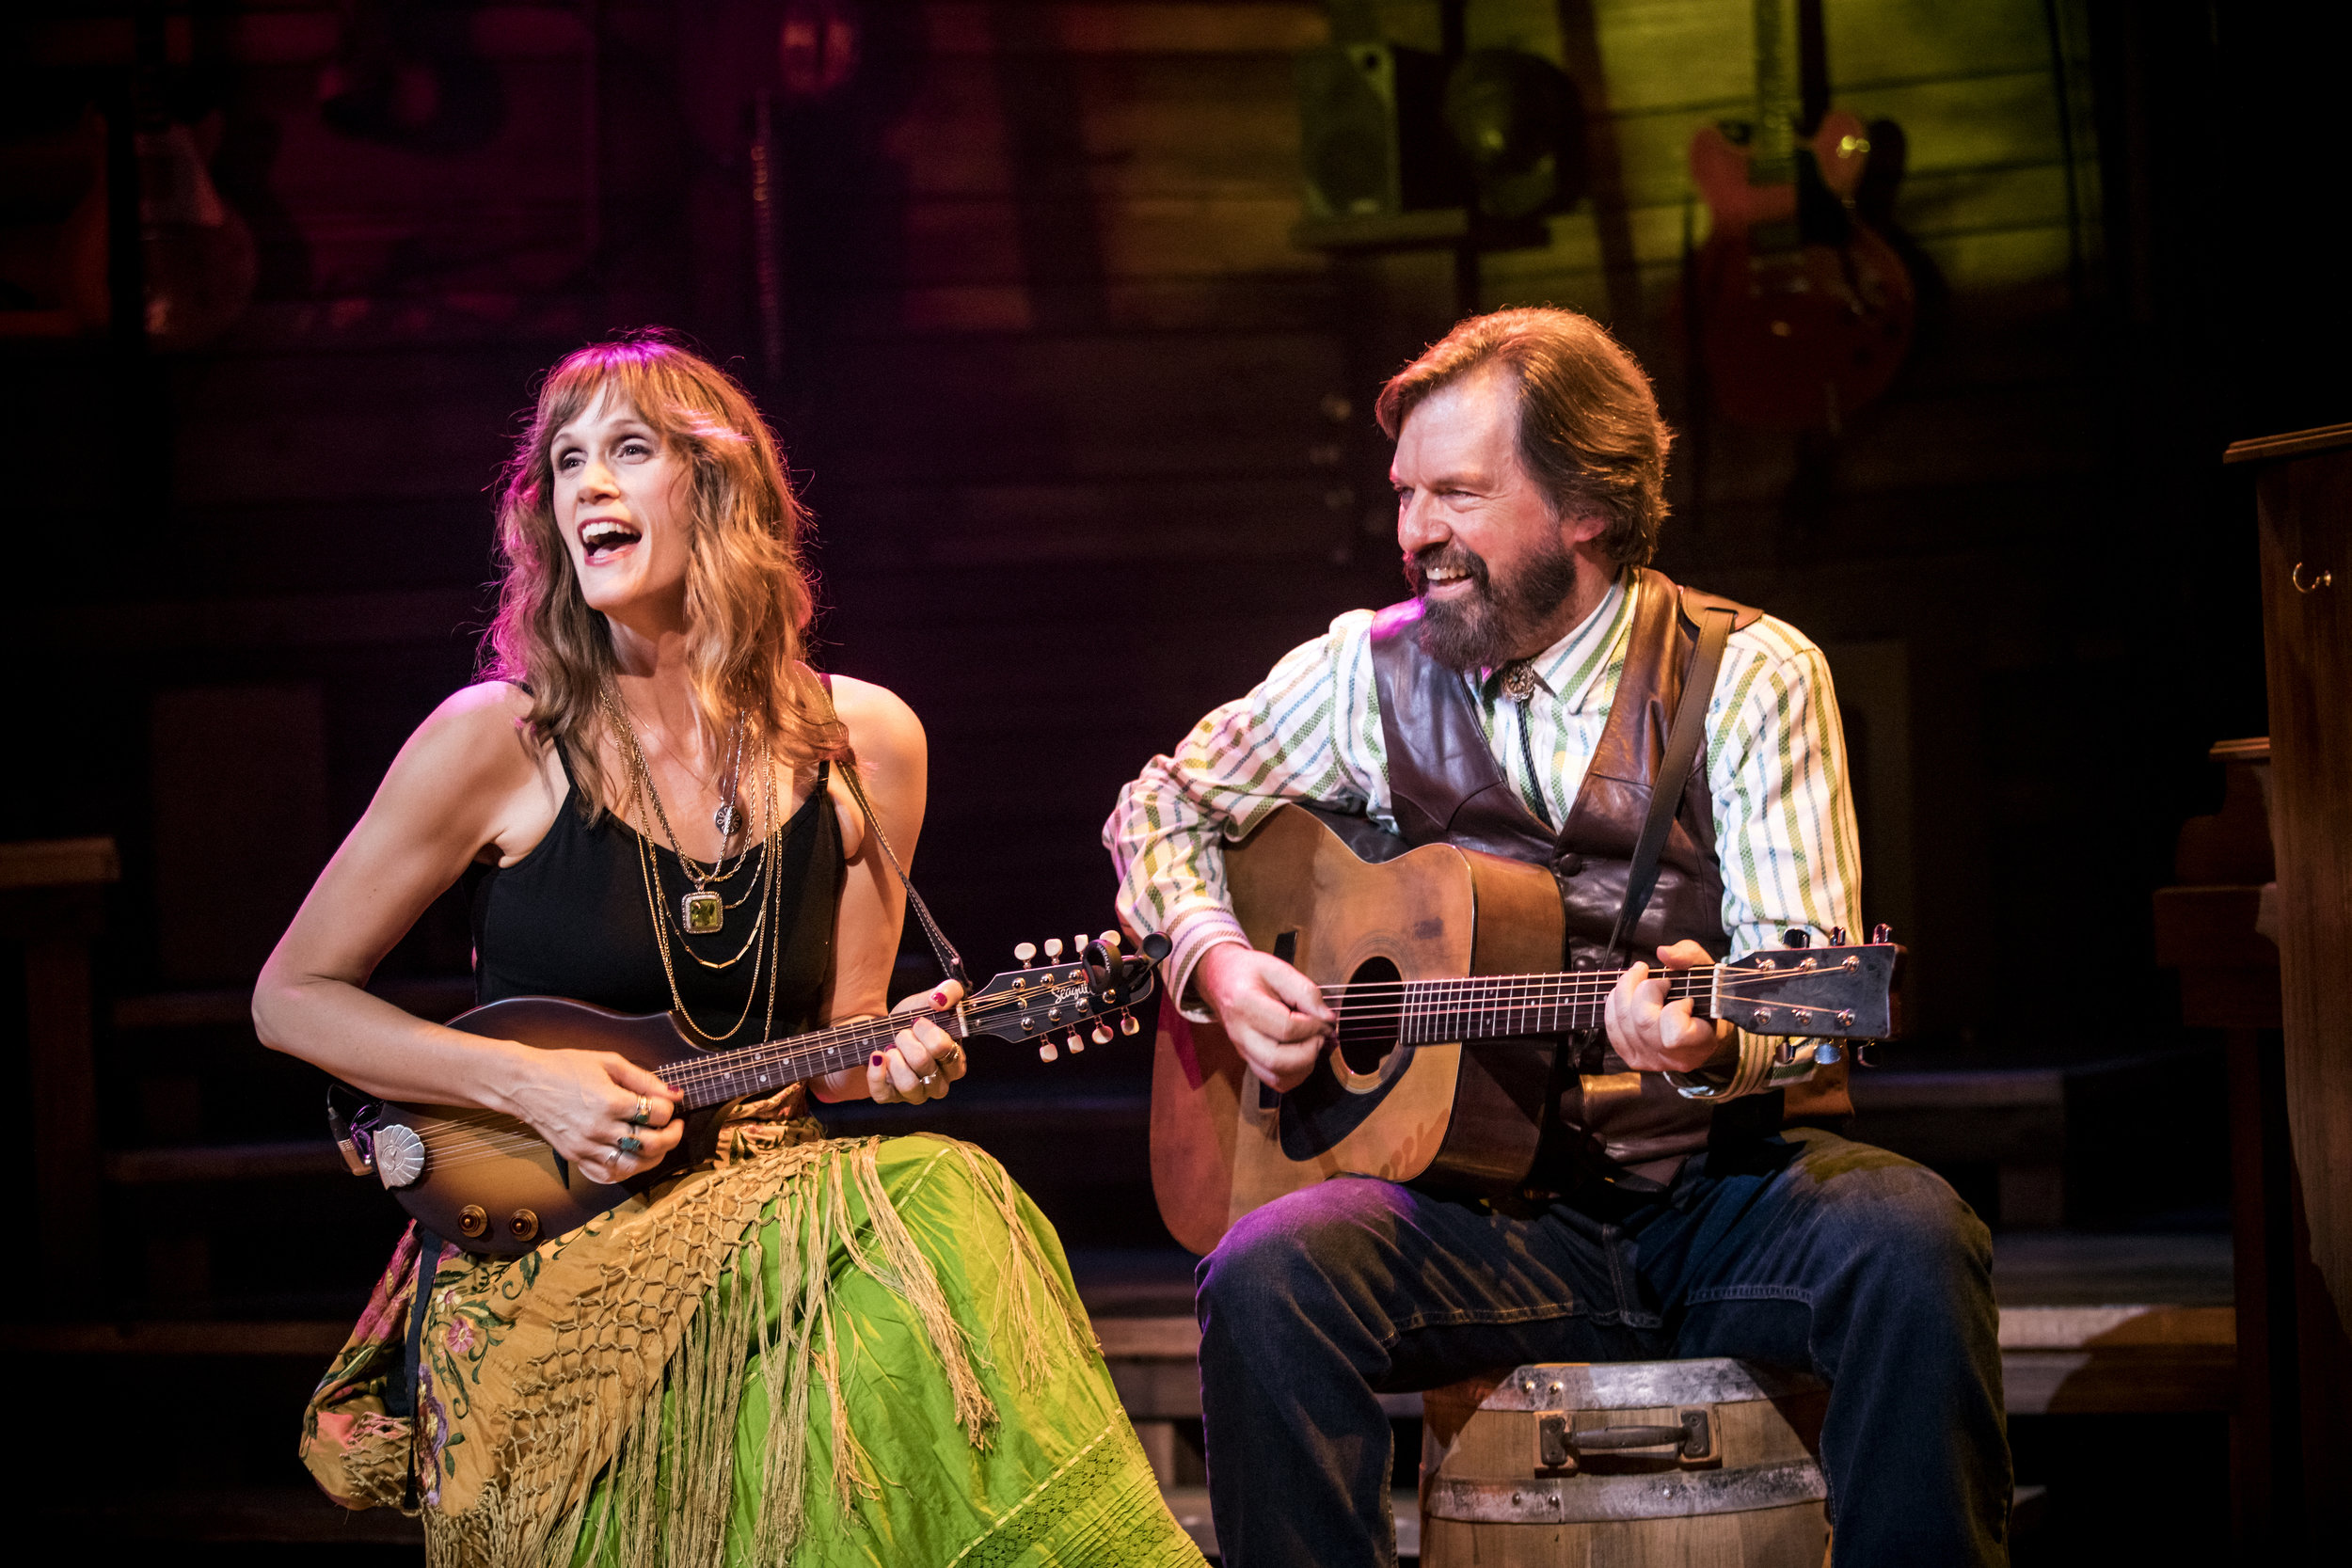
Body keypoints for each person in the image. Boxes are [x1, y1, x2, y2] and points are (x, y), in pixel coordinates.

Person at [256, 334, 1199, 1568]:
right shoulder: (499, 738)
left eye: (628, 453)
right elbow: (292, 998)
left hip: (777, 1207)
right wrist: (526, 1081)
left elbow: (843, 1048)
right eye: (565, 462)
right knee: (929, 1218)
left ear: (717, 491)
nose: (585, 485)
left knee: (949, 1194)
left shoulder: (863, 741)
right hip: (548, 1244)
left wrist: (898, 1060)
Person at [1104, 308, 2009, 1566]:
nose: (1417, 530)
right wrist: (1214, 955)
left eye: (1459, 494)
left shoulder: (1746, 676)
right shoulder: (1366, 671)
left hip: (1717, 1194)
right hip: (1485, 1216)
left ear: (1587, 507)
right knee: (1265, 1279)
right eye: (1406, 495)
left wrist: (1703, 1043)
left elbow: (1805, 997)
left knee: (1911, 1243)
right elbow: (1159, 807)